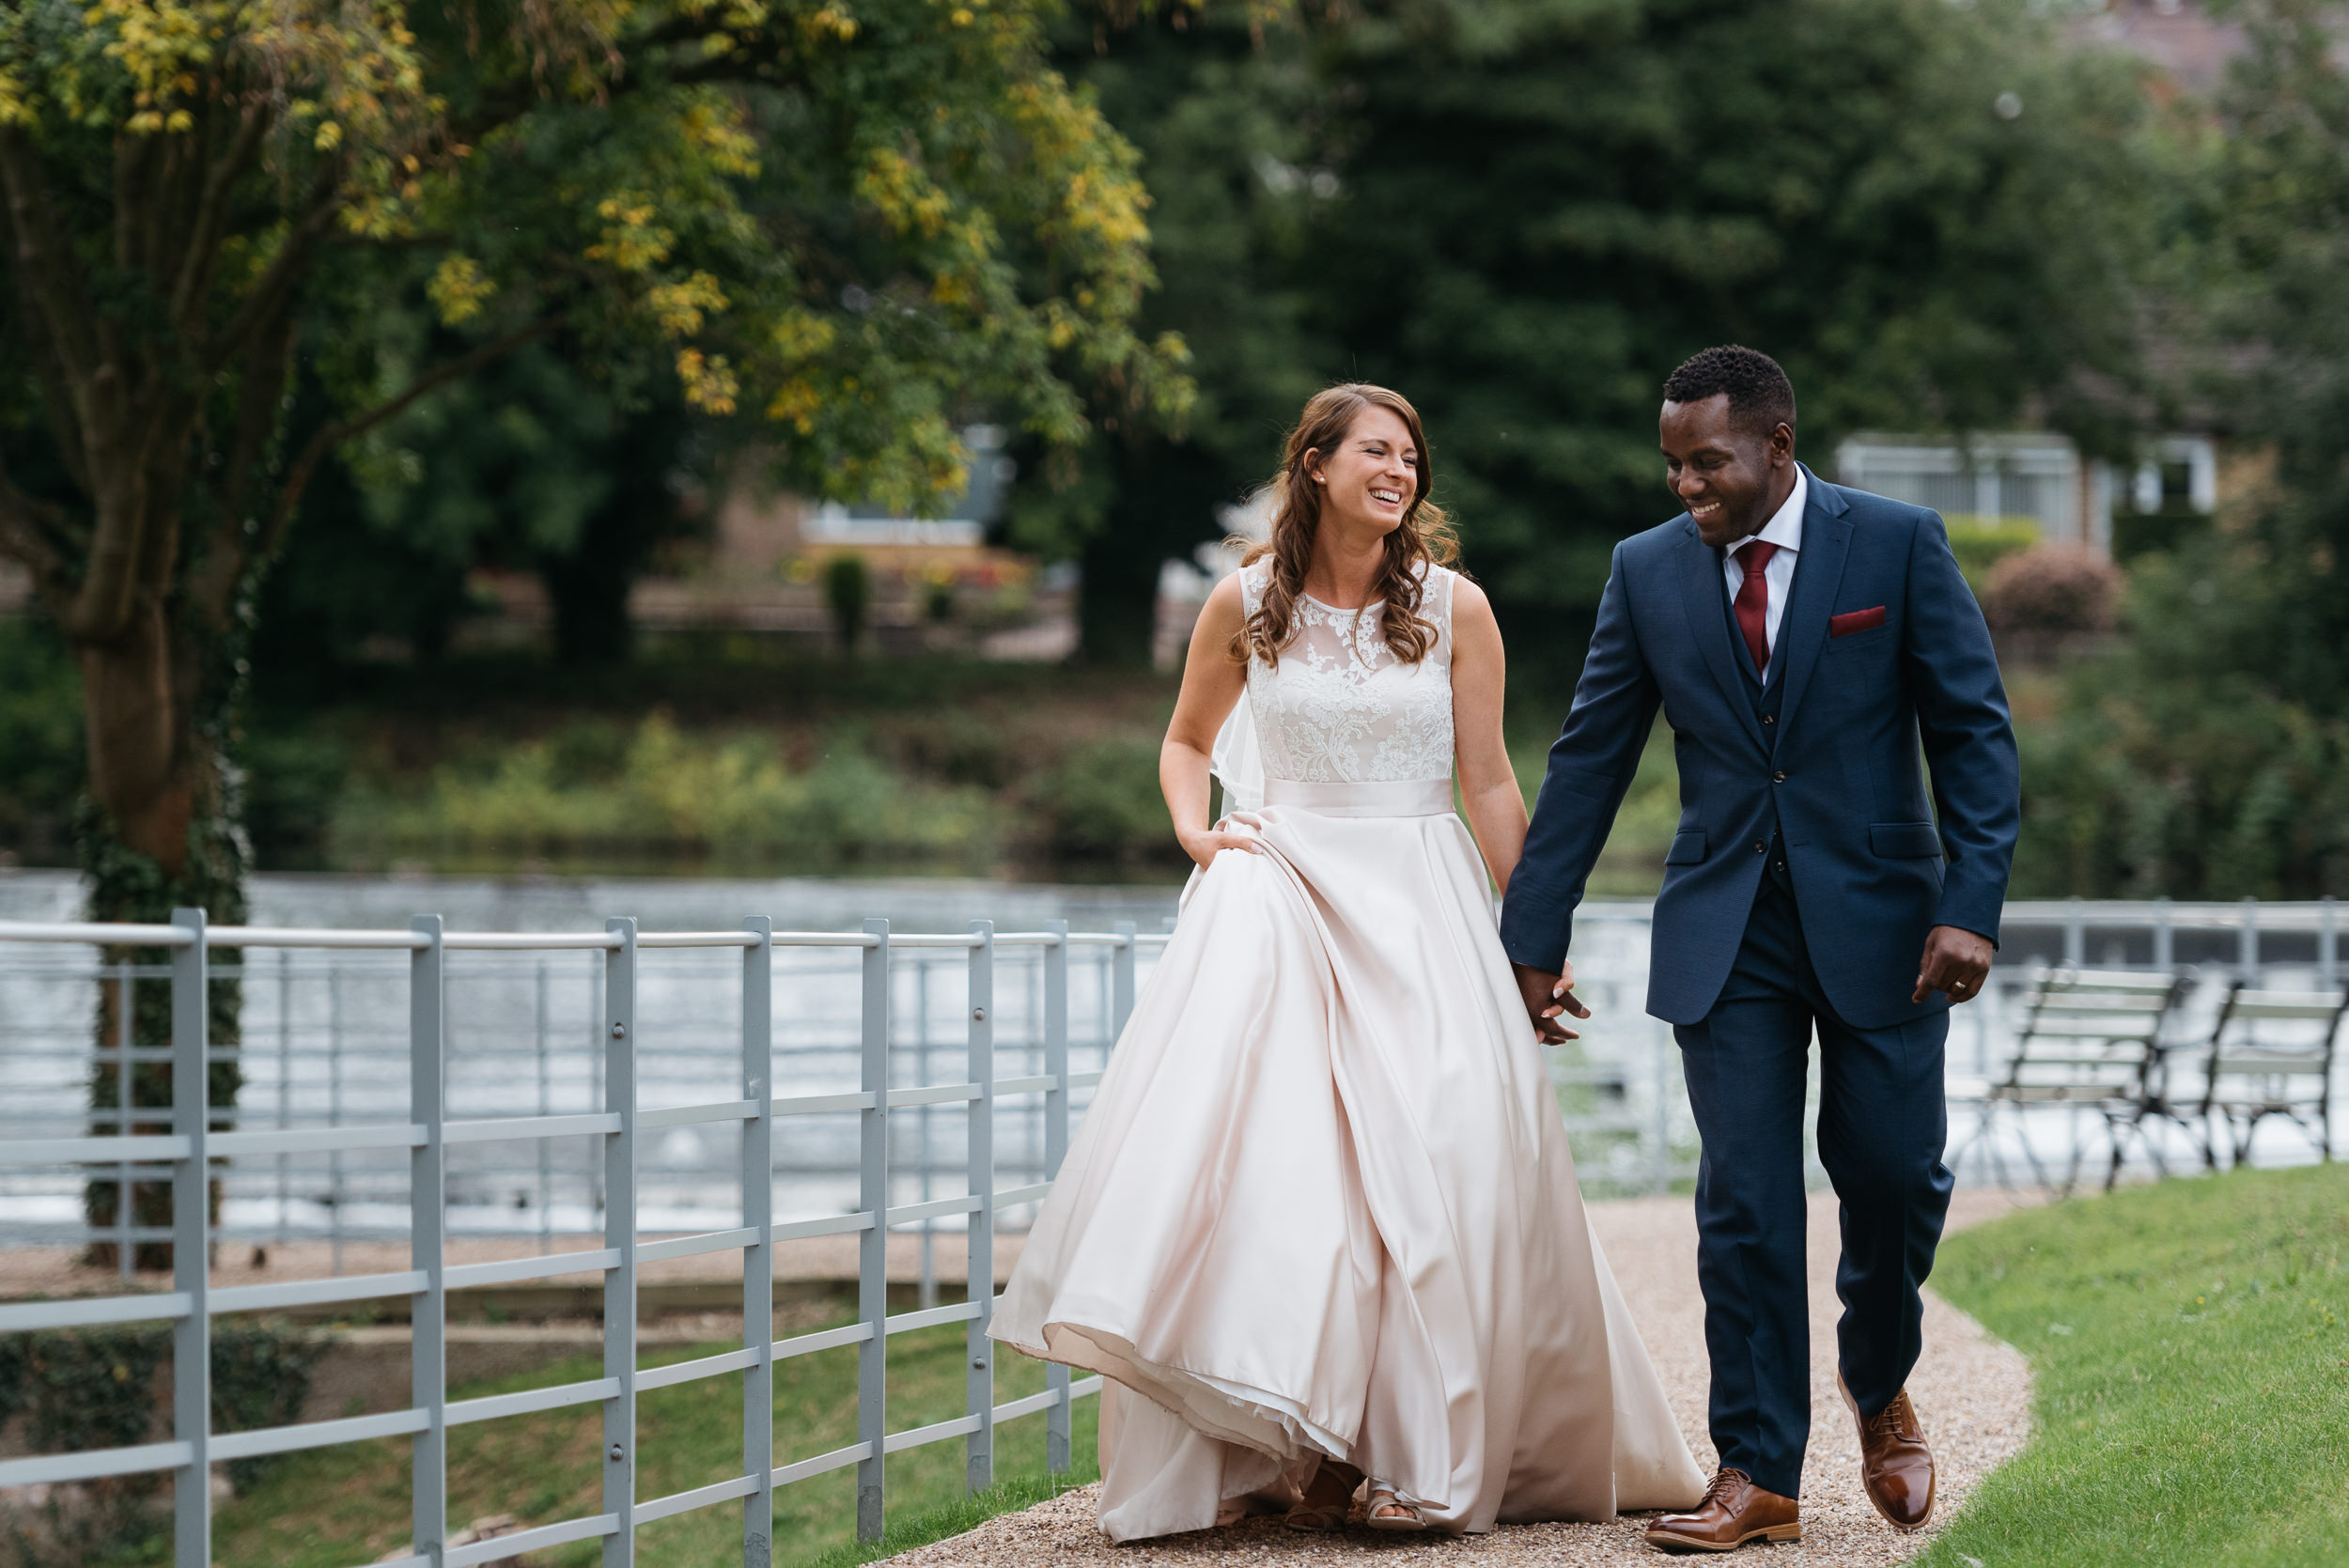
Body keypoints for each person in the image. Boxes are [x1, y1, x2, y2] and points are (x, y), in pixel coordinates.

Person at [990, 383, 1706, 1539]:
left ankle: (1424, 1453)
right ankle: (1301, 1441)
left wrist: (1534, 938)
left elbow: (1487, 781)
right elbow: (1184, 742)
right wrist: (1194, 830)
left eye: (1411, 455)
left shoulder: (1456, 607)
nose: (1401, 470)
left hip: (1423, 897)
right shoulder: (1246, 601)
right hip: (1280, 889)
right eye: (1376, 450)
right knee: (1290, 1174)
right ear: (1313, 464)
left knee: (1445, 1157)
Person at [1501, 346, 2020, 1553]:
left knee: (1892, 1175)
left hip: (1891, 922)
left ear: (1777, 447)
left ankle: (1878, 1379)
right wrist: (1532, 932)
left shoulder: (1894, 543)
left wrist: (1972, 904)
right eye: (1673, 462)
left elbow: (1975, 735)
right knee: (1742, 1198)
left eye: (1708, 461)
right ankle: (1757, 1470)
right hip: (1725, 927)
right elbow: (1588, 761)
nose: (1687, 485)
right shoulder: (1644, 572)